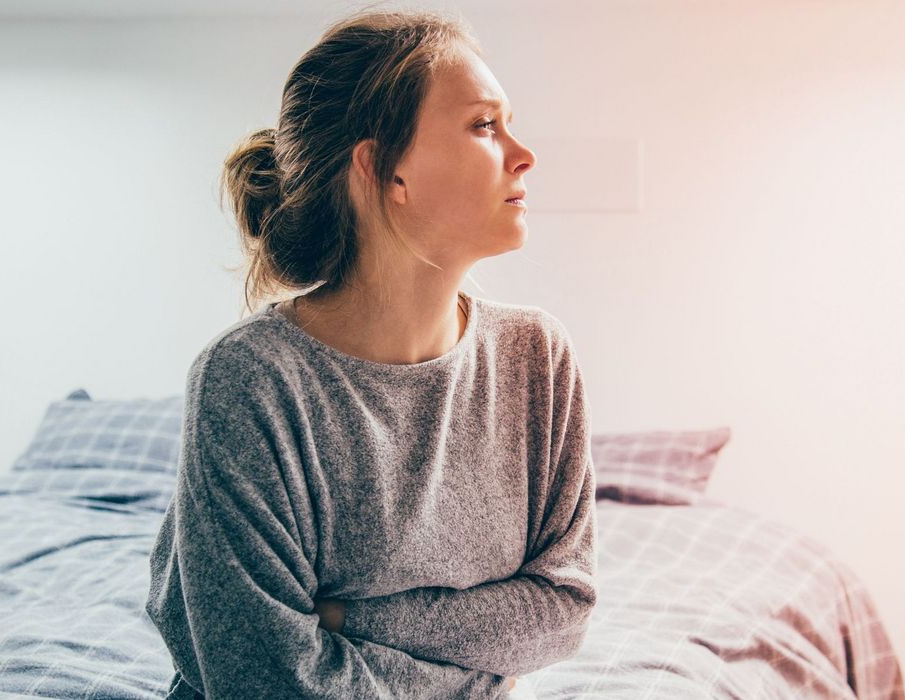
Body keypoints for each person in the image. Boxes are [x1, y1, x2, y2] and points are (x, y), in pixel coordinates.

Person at [144, 8, 596, 699]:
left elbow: (562, 613)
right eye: (483, 125)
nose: (523, 152)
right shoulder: (250, 382)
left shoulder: (537, 357)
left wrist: (351, 619)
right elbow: (265, 679)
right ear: (385, 171)